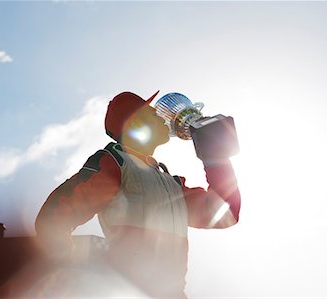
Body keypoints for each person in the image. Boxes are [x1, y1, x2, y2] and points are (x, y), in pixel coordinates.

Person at [35, 91, 241, 298]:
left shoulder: (172, 183)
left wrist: (216, 158)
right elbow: (54, 219)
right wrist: (76, 275)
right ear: (134, 124)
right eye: (152, 113)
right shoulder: (115, 162)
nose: (162, 116)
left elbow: (226, 214)